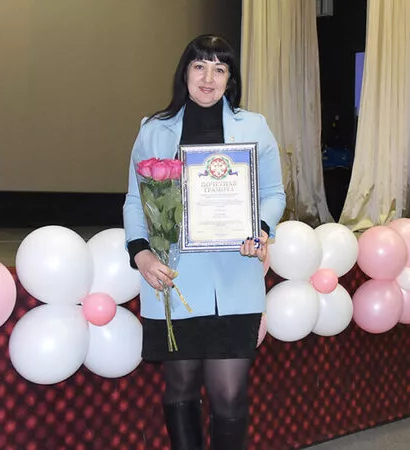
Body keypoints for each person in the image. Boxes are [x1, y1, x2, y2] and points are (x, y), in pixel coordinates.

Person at [122, 34, 286, 450]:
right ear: (185, 73)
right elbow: (135, 199)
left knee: (229, 393)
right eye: (199, 66)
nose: (208, 77)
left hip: (236, 277)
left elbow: (274, 193)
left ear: (231, 79)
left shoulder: (254, 126)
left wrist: (261, 228)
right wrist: (140, 253)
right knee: (180, 387)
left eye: (219, 68)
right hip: (175, 278)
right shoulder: (154, 129)